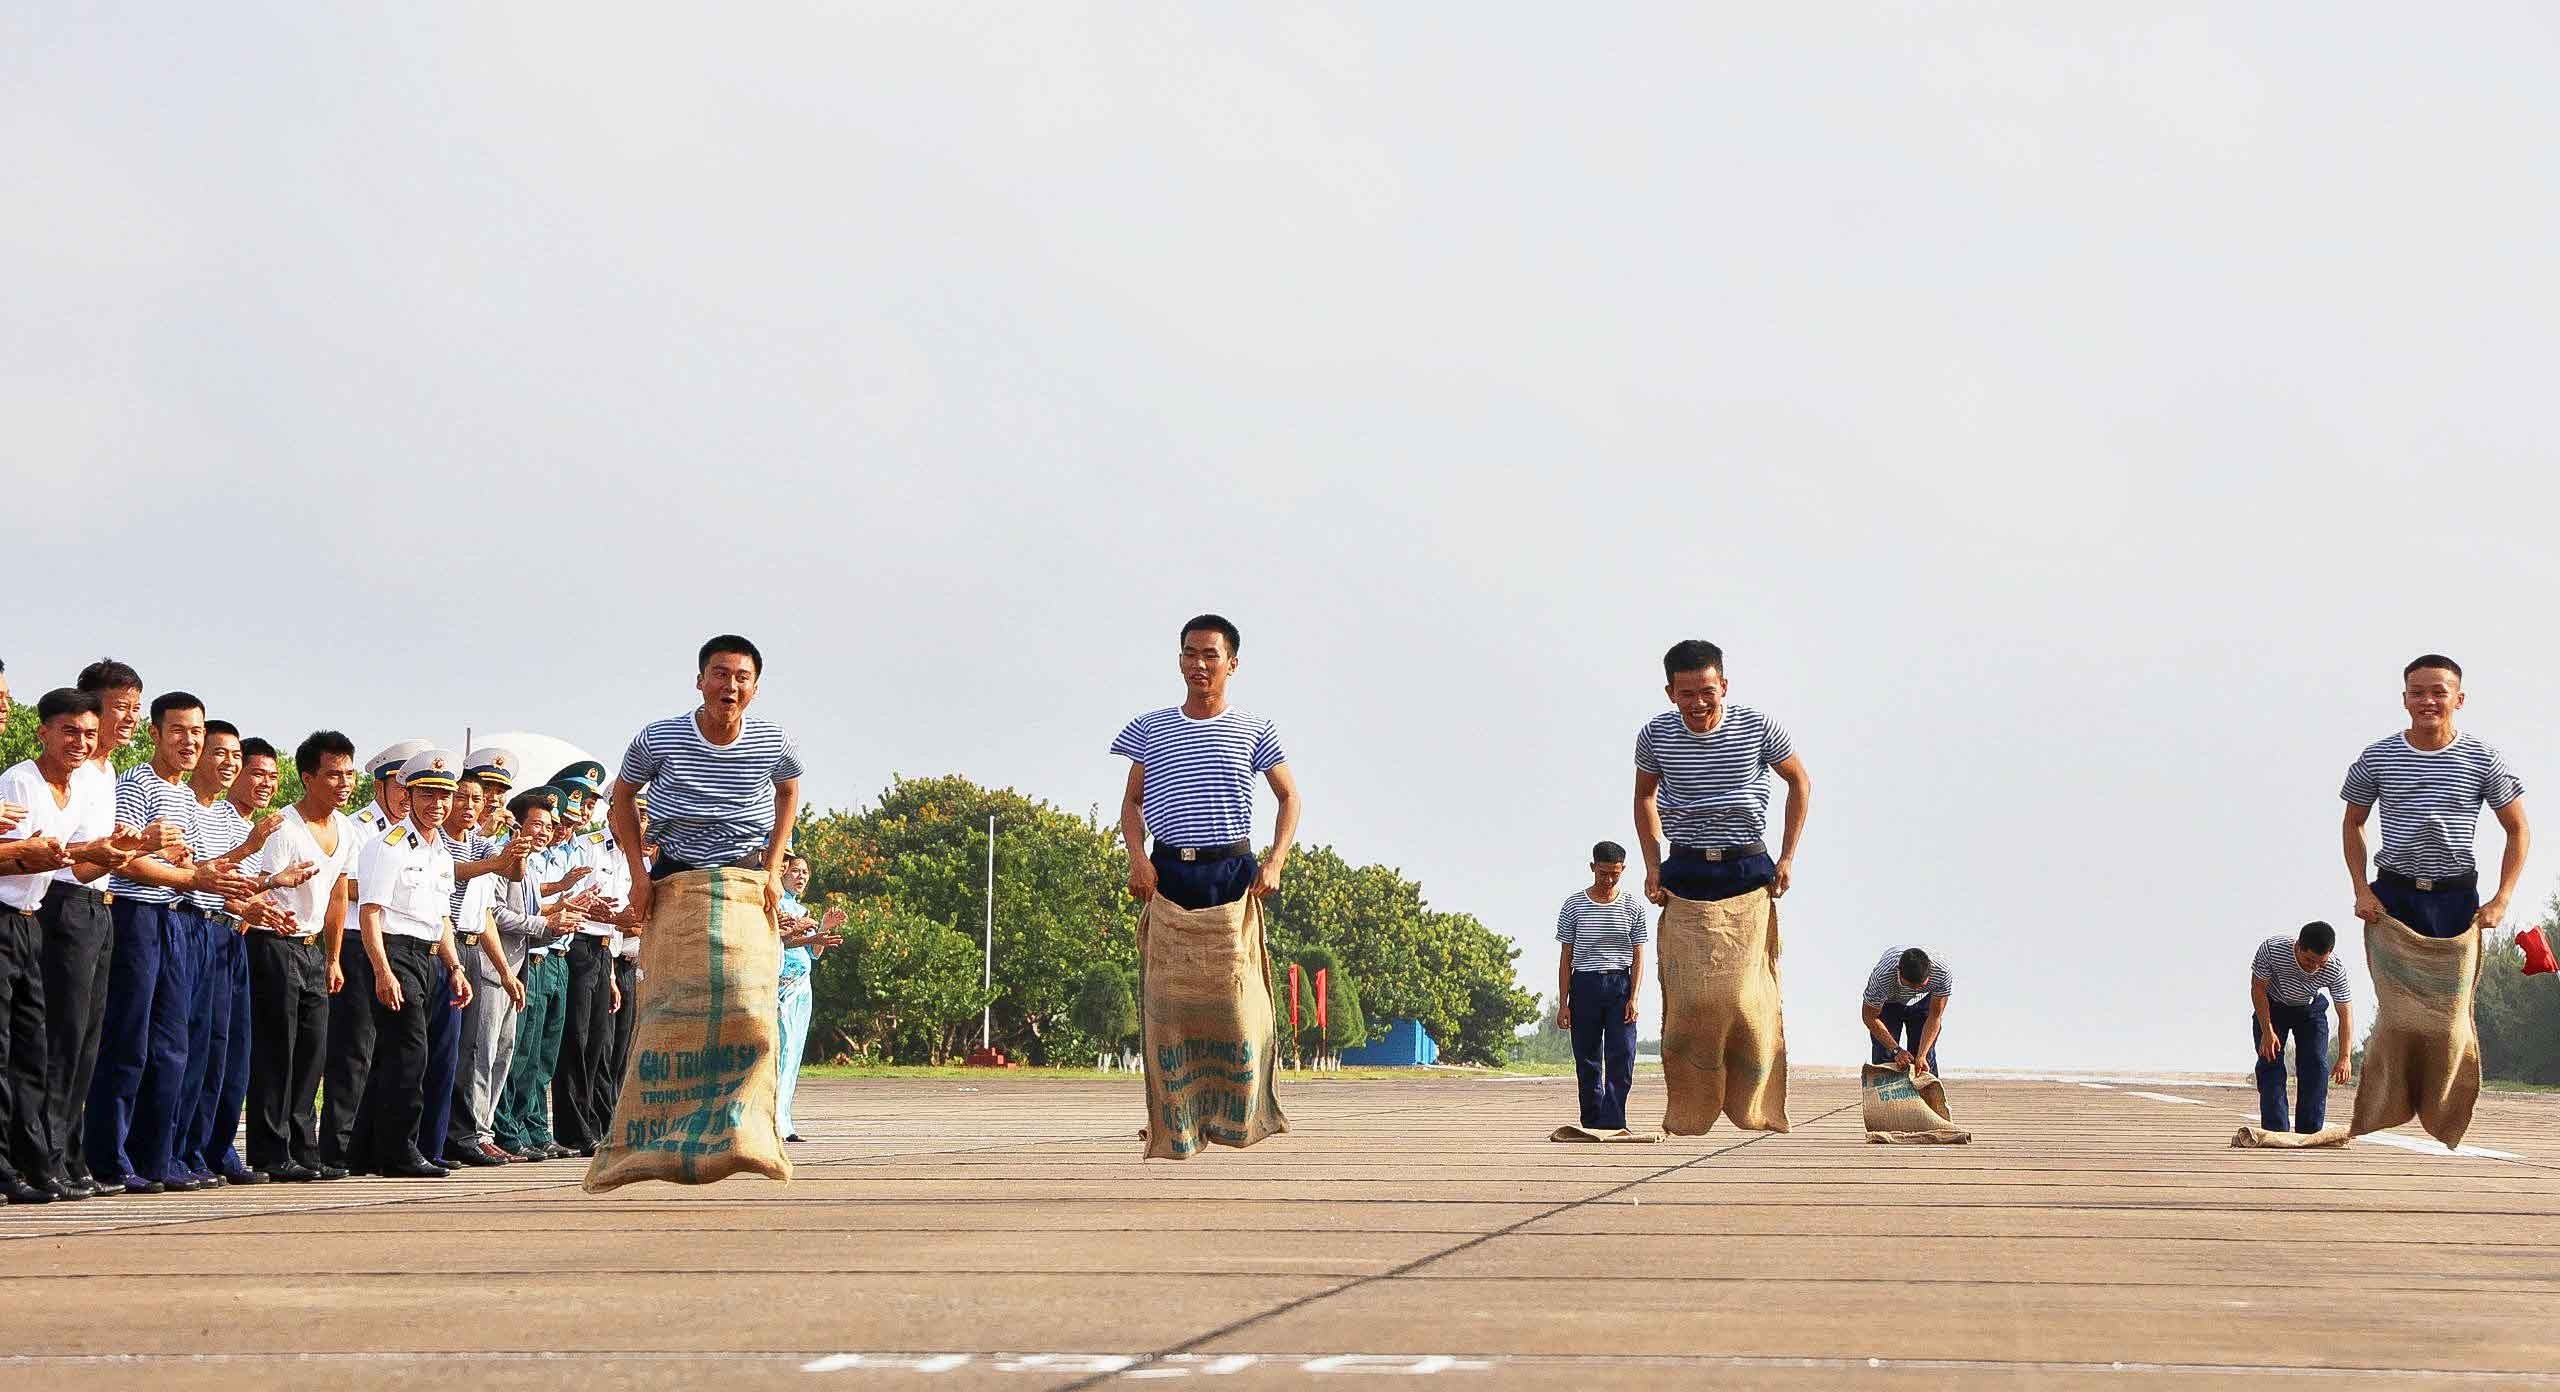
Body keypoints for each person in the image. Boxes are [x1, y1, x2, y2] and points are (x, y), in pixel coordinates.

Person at [91, 692, 257, 1194]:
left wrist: (223, 880)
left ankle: (158, 1155)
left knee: (174, 1047)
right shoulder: (137, 783)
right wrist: (190, 877)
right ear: (155, 733)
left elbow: (191, 868)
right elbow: (124, 859)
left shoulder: (184, 796)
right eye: (179, 730)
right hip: (138, 916)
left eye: (196, 732)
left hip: (176, 920)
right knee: (130, 1042)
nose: (189, 741)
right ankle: (110, 1157)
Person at [0, 691, 151, 1203]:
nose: (80, 743)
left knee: (37, 1051)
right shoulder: (22, 781)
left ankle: (39, 1163)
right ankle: (15, 1165)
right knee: (16, 1050)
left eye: (88, 733)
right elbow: (17, 857)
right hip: (13, 916)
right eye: (70, 731)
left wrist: (124, 851)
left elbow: (75, 864)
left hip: (32, 919)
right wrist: (61, 852)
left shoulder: (78, 785)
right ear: (42, 732)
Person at [41, 661, 155, 1199]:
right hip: (64, 904)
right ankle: (47, 1157)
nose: (128, 718)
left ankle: (71, 1154)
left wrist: (133, 850)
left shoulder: (107, 772)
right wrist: (135, 850)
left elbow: (104, 858)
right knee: (62, 1039)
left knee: (90, 1041)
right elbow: (70, 857)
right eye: (119, 707)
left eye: (135, 708)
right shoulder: (74, 770)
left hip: (99, 906)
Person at [1111, 615, 1302, 911]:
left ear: (1232, 664)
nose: (1198, 664)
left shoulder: (1255, 729)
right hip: (1166, 873)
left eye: (1210, 655)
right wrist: (1138, 859)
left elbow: (1289, 797)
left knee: (1235, 944)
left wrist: (1276, 862)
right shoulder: (1150, 728)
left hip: (1232, 875)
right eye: (1190, 654)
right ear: (1180, 661)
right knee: (1164, 944)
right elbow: (1133, 800)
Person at [2342, 655, 2531, 939]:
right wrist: (2361, 890)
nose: (2427, 701)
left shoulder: (2483, 760)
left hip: (2456, 900)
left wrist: (2502, 899)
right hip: (2391, 900)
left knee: (2456, 971)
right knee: (2391, 972)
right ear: (2405, 699)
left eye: (2439, 693)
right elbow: (2353, 822)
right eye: (2417, 693)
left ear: (2459, 699)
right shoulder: (2377, 757)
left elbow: (2518, 829)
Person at [350, 750, 474, 1178]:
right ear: (409, 795)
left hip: (429, 955)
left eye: (444, 796)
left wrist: (455, 967)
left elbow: (441, 919)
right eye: (427, 795)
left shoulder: (442, 852)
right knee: (408, 1055)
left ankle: (366, 1150)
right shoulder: (388, 846)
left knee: (401, 1056)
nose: (437, 804)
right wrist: (382, 971)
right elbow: (370, 912)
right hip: (395, 952)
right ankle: (399, 1151)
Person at [241, 731, 359, 1181]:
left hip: (312, 950)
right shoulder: (282, 827)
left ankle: (304, 1149)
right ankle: (272, 1152)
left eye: (348, 774)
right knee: (277, 1052)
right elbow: (258, 886)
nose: (343, 784)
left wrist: (333, 957)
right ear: (308, 778)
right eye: (333, 775)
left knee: (312, 1053)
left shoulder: (345, 828)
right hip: (273, 944)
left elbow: (337, 895)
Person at [180, 731, 291, 1186]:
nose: (265, 784)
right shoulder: (198, 811)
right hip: (198, 929)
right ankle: (185, 1150)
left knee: (231, 1053)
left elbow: (240, 889)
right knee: (194, 1050)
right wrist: (252, 895)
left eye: (272, 776)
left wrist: (269, 890)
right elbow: (202, 880)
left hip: (231, 938)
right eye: (256, 773)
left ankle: (218, 1147)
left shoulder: (240, 821)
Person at [319, 738, 430, 1173]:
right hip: (354, 940)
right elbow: (341, 886)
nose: (406, 795)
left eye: (412, 787)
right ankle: (338, 1145)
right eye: (400, 785)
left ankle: (366, 1144)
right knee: (354, 1048)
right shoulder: (360, 827)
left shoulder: (415, 838)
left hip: (392, 944)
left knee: (390, 1052)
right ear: (380, 784)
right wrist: (388, 894)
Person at [1634, 640, 1812, 909]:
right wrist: (1653, 866)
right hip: (1684, 869)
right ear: (1671, 693)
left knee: (1750, 938)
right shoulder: (1655, 735)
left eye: (1708, 692)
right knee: (1683, 937)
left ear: (1724, 687)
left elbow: (1799, 781)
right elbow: (1644, 796)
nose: (1698, 703)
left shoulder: (1758, 727)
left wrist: (1787, 858)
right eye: (1687, 694)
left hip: (1747, 868)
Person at [459, 788, 574, 1166]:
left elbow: (531, 916)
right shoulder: (497, 857)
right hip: (491, 968)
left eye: (549, 826)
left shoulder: (528, 866)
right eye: (536, 824)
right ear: (517, 825)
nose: (544, 832)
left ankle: (486, 1131)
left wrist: (556, 922)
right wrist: (543, 924)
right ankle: (477, 1133)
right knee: (482, 1054)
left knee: (504, 1055)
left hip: (515, 969)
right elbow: (493, 913)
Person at [1553, 841, 1648, 1133]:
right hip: (1585, 985)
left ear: (1623, 870)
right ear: (1592, 867)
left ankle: (1614, 1120)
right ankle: (1592, 1121)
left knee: (1623, 1055)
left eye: (1614, 874)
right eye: (1603, 873)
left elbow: (1638, 954)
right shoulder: (1574, 905)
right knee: (1588, 1058)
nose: (1608, 879)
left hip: (1620, 985)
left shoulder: (1633, 906)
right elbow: (1566, 956)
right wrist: (1563, 1003)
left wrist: (1634, 997)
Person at [2250, 921, 2356, 1135]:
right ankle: (2276, 1130)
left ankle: (2309, 1131)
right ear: (2298, 946)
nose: (2314, 967)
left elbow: (2345, 1014)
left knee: (2315, 1064)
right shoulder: (2272, 949)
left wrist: (2345, 1057)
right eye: (2309, 960)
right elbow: (2258, 988)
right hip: (2273, 1007)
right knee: (2270, 1064)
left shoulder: (2334, 968)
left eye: (2320, 963)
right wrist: (2267, 1031)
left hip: (2310, 1010)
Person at [773, 852, 845, 1143]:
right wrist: (812, 935)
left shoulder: (802, 910)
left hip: (802, 986)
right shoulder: (776, 904)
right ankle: (771, 1121)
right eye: (795, 871)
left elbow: (813, 954)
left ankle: (784, 1121)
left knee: (793, 1054)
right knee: (779, 1051)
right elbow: (782, 940)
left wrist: (824, 929)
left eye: (805, 872)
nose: (800, 876)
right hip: (781, 986)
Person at [1861, 947, 1952, 1074]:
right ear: (1898, 972)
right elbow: (1869, 1017)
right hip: (1888, 1003)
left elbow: (1935, 1017)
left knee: (1923, 1060)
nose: (1915, 990)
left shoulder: (1942, 972)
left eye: (1921, 986)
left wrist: (1922, 1055)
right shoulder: (1882, 976)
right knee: (1886, 1056)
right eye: (1910, 986)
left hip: (1924, 1001)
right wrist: (1896, 1050)